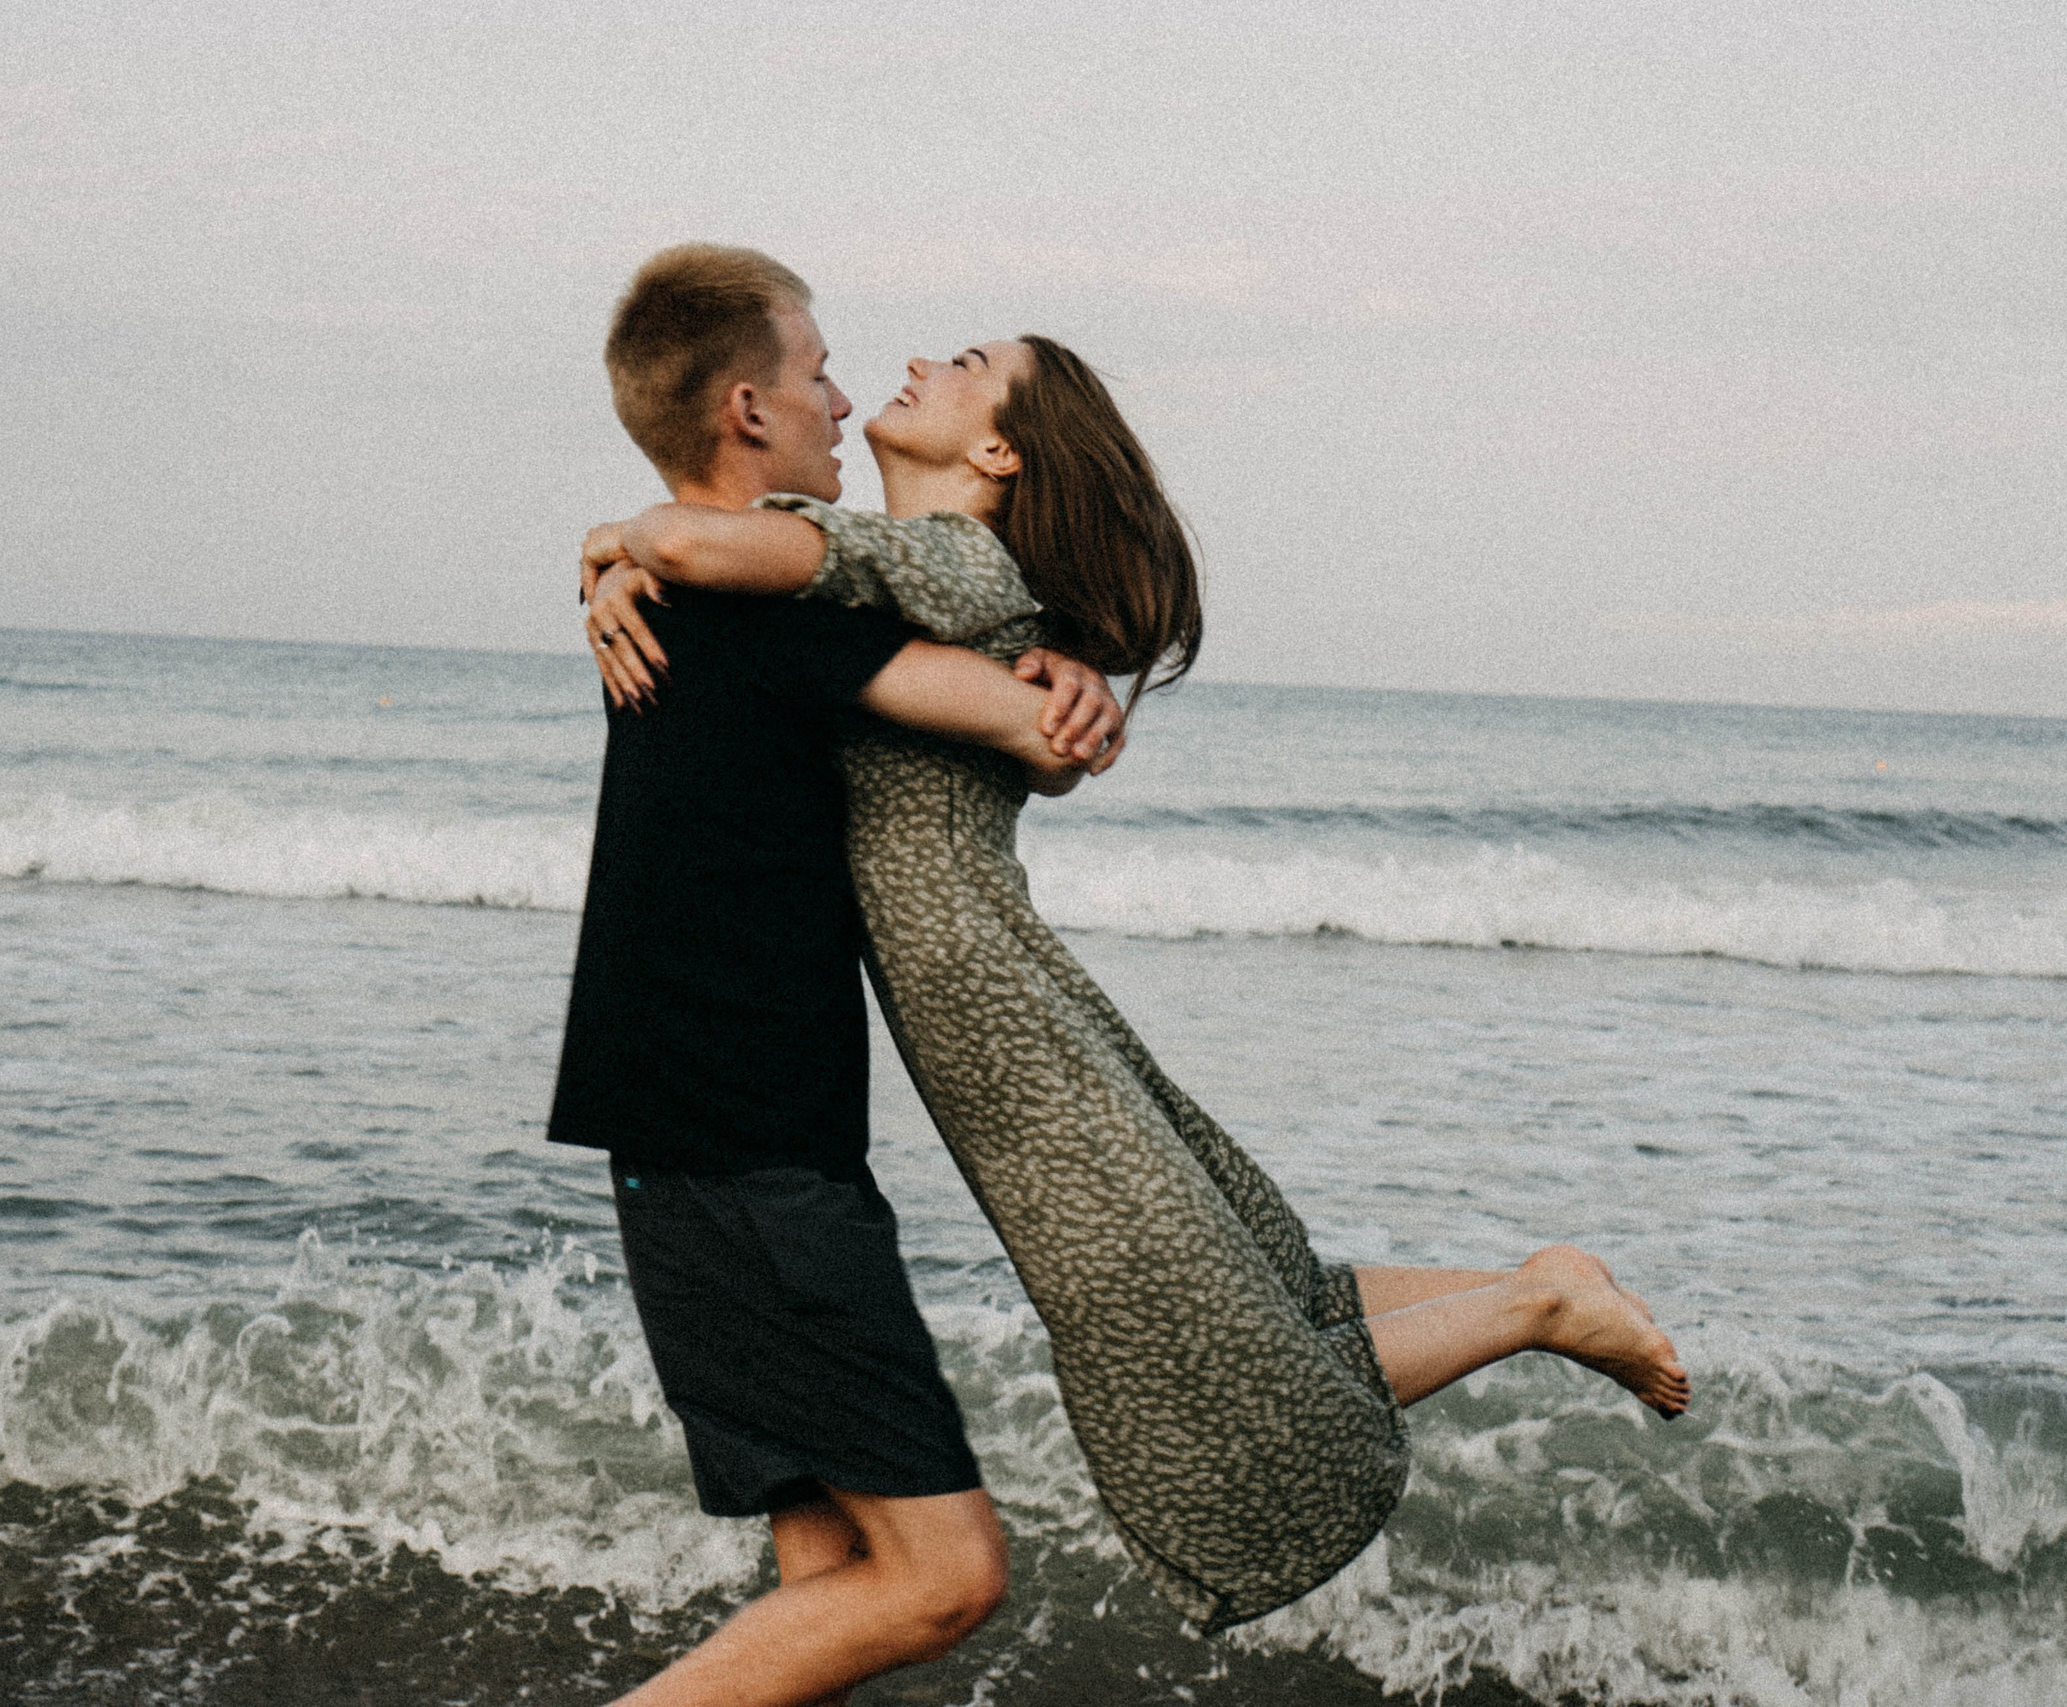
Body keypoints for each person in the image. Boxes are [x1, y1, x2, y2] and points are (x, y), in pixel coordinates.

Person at [582, 320, 1692, 1634]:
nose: (922, 359)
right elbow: (759, 581)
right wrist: (614, 565)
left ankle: (1535, 1302)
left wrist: (623, 546)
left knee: (1198, 1374)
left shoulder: (943, 557)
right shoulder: (930, 592)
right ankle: (1540, 1286)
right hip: (1019, 1007)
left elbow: (713, 545)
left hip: (1005, 1041)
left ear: (996, 449)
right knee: (1254, 1294)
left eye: (969, 363)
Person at [547, 246, 1130, 1707]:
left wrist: (615, 546)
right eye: (817, 375)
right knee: (946, 1576)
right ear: (750, 409)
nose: (845, 397)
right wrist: (1064, 679)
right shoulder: (759, 602)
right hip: (746, 1145)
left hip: (691, 1135)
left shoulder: (692, 580)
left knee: (829, 1575)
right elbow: (1034, 735)